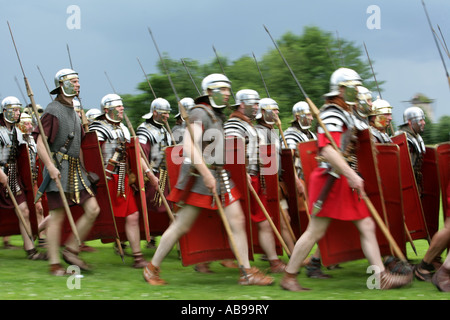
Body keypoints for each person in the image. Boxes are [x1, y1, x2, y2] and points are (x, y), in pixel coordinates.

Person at [279, 67, 413, 291]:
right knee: (315, 231)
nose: (357, 91)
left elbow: (364, 131)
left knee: (367, 225)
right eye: (354, 88)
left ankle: (380, 276)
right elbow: (327, 150)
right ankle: (289, 276)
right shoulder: (330, 113)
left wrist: (368, 108)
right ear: (341, 89)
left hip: (342, 179)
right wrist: (351, 174)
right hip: (330, 179)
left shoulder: (345, 113)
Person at [143, 74, 273, 286]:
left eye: (228, 89)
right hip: (200, 178)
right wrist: (205, 173)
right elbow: (189, 146)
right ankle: (151, 268)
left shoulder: (216, 115)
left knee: (237, 221)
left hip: (221, 176)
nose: (228, 93)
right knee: (181, 225)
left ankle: (246, 272)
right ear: (210, 91)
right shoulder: (198, 113)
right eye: (223, 89)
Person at [33, 68, 100, 276]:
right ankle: (54, 264)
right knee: (57, 216)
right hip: (58, 167)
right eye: (74, 81)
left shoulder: (75, 110)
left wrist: (85, 169)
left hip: (76, 170)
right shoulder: (53, 110)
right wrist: (50, 167)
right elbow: (39, 141)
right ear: (62, 85)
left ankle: (70, 250)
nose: (78, 84)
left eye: (79, 81)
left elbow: (79, 144)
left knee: (93, 209)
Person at [224, 90, 286, 273]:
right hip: (239, 180)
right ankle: (235, 263)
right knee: (235, 223)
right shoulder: (234, 124)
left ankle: (274, 262)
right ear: (242, 104)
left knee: (265, 221)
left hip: (255, 179)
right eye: (255, 104)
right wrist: (243, 175)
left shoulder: (249, 125)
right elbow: (232, 151)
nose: (257, 108)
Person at [89, 93, 149, 268]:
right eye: (118, 106)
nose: (122, 108)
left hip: (122, 178)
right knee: (93, 216)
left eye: (122, 106)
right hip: (106, 179)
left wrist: (147, 173)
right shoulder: (98, 129)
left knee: (133, 216)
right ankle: (68, 244)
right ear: (107, 110)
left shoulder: (123, 128)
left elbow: (134, 154)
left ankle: (137, 256)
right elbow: (92, 155)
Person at [283, 100, 333, 279]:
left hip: (311, 180)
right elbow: (288, 160)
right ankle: (311, 262)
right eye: (308, 115)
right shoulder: (290, 134)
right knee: (312, 224)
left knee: (316, 224)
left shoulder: (310, 133)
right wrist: (296, 180)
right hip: (299, 181)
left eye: (312, 115)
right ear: (298, 117)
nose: (311, 118)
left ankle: (323, 257)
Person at [0, 97, 46, 259]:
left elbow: (23, 157)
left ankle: (30, 251)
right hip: (0, 173)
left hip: (13, 176)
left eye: (19, 110)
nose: (18, 113)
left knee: (24, 210)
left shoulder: (17, 132)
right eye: (15, 110)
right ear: (5, 111)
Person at [136, 97, 173, 246]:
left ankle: (161, 239)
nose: (167, 116)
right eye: (165, 113)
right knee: (148, 209)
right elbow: (140, 154)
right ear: (155, 112)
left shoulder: (164, 129)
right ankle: (134, 238)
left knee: (168, 208)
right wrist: (149, 174)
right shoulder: (144, 129)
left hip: (166, 175)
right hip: (152, 175)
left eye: (168, 113)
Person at [395, 107, 426, 194]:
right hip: (405, 186)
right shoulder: (402, 139)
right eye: (420, 120)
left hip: (415, 183)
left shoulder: (416, 137)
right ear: (410, 122)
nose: (424, 123)